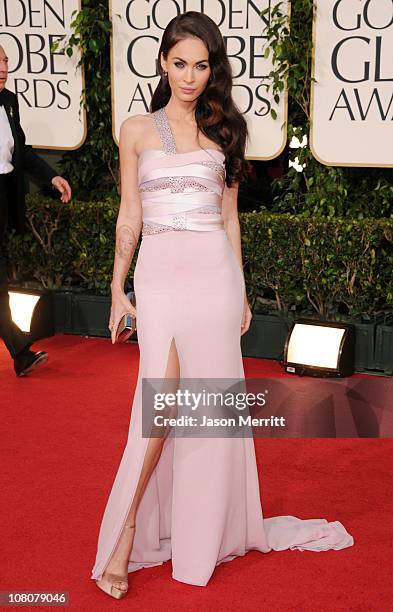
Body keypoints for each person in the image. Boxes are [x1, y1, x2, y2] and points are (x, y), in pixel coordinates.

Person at [91, 12, 354, 599]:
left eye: (201, 65)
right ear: (162, 63)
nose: (189, 76)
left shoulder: (226, 133)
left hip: (214, 277)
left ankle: (199, 534)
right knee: (160, 404)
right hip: (159, 279)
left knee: (206, 412)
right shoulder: (134, 130)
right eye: (179, 63)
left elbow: (231, 219)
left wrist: (240, 287)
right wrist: (117, 288)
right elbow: (129, 215)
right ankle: (129, 532)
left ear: (213, 71)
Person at [0, 45, 72, 376]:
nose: (3, 67)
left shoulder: (9, 102)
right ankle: (20, 352)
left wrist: (52, 175)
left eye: (4, 61)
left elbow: (22, 152)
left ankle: (20, 352)